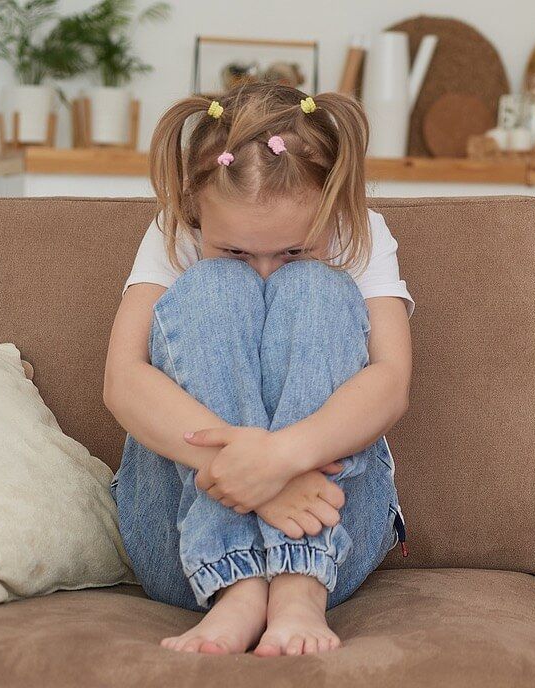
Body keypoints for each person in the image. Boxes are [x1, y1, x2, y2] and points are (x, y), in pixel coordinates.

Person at [104, 82, 411, 656]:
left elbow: (390, 384)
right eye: (238, 251)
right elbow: (122, 381)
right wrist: (253, 481)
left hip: (330, 537)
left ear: (336, 208)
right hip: (178, 540)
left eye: (294, 249)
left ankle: (297, 586)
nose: (266, 270)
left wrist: (280, 459)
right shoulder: (176, 232)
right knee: (215, 289)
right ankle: (237, 589)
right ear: (196, 213)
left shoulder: (361, 232)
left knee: (315, 289)